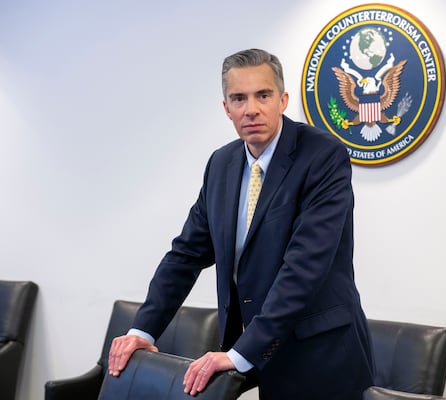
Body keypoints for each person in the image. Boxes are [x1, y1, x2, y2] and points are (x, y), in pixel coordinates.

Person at [107, 48, 374, 399]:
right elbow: (185, 254)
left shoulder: (323, 156)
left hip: (321, 356)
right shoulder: (221, 164)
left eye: (263, 95)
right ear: (226, 108)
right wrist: (144, 330)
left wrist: (241, 353)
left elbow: (304, 267)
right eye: (239, 98)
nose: (251, 108)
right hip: (259, 348)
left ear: (282, 99)